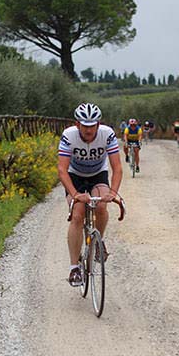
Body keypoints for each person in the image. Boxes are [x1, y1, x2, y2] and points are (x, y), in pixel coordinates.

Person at [58, 103, 122, 287]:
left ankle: (97, 243)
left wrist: (113, 192)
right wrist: (76, 194)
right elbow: (62, 170)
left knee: (101, 205)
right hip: (74, 175)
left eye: (92, 125)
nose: (88, 129)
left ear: (98, 123)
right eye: (84, 125)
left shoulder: (107, 134)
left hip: (97, 174)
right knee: (77, 214)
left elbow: (117, 168)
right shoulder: (69, 136)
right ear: (77, 124)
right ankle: (74, 269)